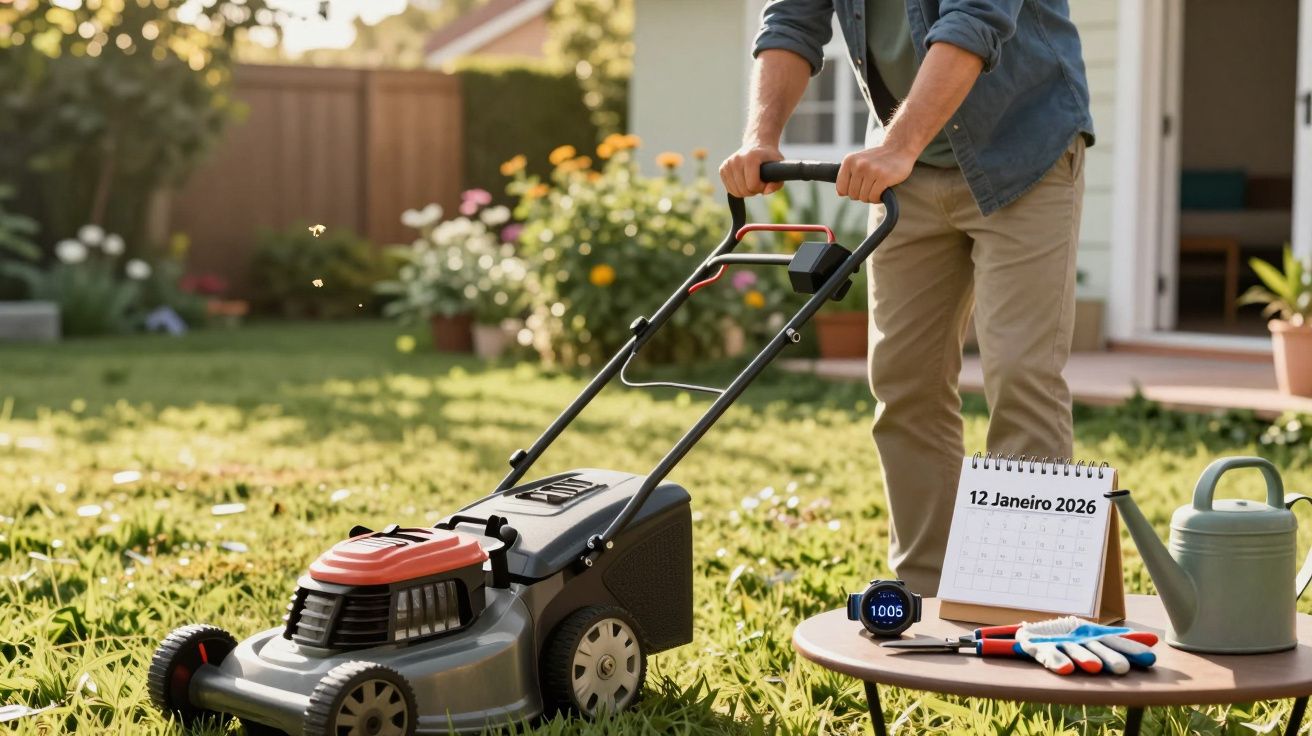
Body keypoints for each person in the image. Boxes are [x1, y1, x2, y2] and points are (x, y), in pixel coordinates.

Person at [720, 0, 1093, 595]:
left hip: (1024, 150)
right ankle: (926, 593)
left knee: (1023, 374)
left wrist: (899, 146)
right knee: (904, 380)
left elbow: (972, 20)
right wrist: (761, 137)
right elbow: (791, 21)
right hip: (907, 169)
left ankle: (1027, 598)